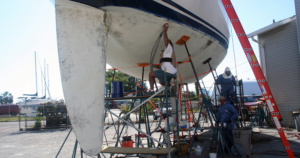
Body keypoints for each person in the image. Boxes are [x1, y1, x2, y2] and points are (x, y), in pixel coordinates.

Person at [148, 24, 177, 93]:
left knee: (151, 74)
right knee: (161, 82)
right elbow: (161, 66)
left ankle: (151, 90)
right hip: (172, 72)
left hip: (167, 71)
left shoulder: (169, 48)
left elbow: (166, 41)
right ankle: (171, 86)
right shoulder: (167, 54)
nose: (165, 45)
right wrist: (153, 65)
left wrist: (165, 32)